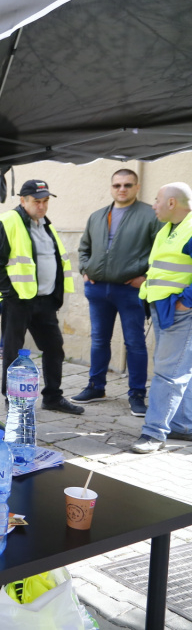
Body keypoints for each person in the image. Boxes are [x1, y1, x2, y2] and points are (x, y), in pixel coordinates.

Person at [0, 179, 84, 415]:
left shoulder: (45, 225)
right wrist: (11, 295)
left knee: (54, 348)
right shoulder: (7, 223)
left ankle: (53, 397)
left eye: (46, 201)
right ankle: (13, 401)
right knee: (13, 353)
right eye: (37, 201)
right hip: (18, 302)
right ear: (23, 200)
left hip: (45, 301)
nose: (42, 206)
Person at [70, 168, 162, 415]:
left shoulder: (149, 215)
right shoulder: (98, 216)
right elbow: (84, 247)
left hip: (130, 290)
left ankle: (137, 394)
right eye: (118, 185)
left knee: (135, 343)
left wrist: (145, 279)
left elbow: (160, 251)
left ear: (137, 187)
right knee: (99, 339)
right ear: (111, 187)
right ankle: (96, 387)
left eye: (128, 185)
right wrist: (85, 270)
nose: (122, 189)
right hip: (98, 289)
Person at [130, 182, 192, 453]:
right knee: (181, 369)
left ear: (171, 203)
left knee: (168, 373)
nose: (153, 205)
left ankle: (154, 433)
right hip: (165, 309)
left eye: (157, 200)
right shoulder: (168, 229)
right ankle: (183, 425)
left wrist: (185, 304)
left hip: (179, 312)